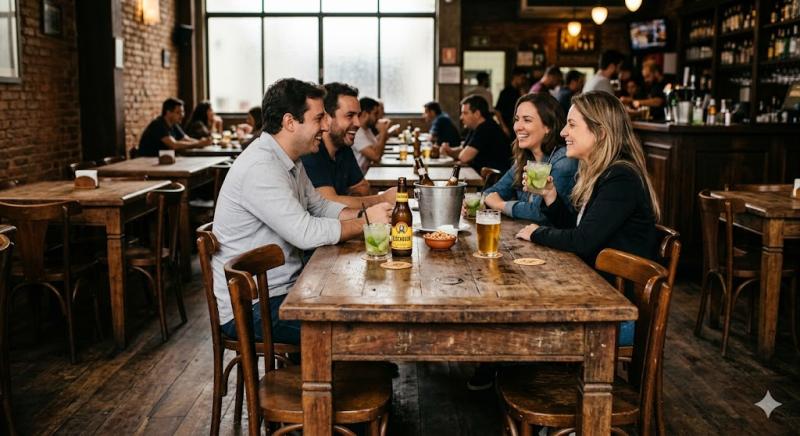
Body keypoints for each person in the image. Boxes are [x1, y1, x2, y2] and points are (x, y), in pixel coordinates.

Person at [212, 78, 393, 345]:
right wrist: (367, 222)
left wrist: (368, 216)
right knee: (356, 327)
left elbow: (320, 207)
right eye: (319, 118)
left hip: (285, 289)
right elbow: (305, 233)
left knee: (365, 300)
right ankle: (354, 375)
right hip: (253, 307)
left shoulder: (290, 160)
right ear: (289, 122)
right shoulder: (261, 167)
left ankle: (363, 373)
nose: (325, 125)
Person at [515, 90, 660, 266]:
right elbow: (577, 230)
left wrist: (536, 233)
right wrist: (550, 195)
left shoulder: (621, 178)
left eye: (572, 125)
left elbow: (581, 241)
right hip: (596, 276)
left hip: (614, 288)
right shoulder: (600, 172)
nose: (563, 132)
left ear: (600, 133)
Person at [481, 93, 578, 222]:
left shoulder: (564, 161)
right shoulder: (524, 159)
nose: (517, 127)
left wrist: (500, 205)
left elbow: (542, 213)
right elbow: (493, 192)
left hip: (550, 240)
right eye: (517, 119)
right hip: (525, 236)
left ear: (547, 126)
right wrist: (480, 203)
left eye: (527, 120)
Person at [301, 82, 396, 209]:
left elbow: (363, 188)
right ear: (327, 118)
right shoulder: (312, 150)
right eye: (350, 115)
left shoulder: (343, 147)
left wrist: (346, 201)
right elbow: (328, 204)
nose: (357, 123)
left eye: (358, 115)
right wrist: (382, 199)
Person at [441, 94, 511, 174]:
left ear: (477, 114)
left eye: (465, 113)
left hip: (495, 180)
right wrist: (449, 150)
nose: (461, 117)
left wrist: (451, 152)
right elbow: (463, 149)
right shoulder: (476, 127)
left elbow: (464, 157)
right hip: (481, 176)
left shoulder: (486, 127)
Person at [137, 98, 210, 157]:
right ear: (168, 112)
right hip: (149, 163)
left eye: (183, 112)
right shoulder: (158, 124)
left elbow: (186, 139)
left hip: (163, 161)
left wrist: (202, 142)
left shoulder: (174, 124)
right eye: (178, 112)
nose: (182, 115)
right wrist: (198, 144)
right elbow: (174, 145)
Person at [352, 97, 390, 174]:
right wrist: (383, 133)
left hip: (369, 173)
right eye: (375, 114)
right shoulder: (357, 132)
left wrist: (383, 134)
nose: (378, 117)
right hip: (360, 178)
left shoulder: (367, 129)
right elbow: (376, 156)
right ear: (365, 114)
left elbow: (377, 149)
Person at [495, 67, 527, 133]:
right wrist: (504, 127)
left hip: (518, 124)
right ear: (515, 77)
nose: (523, 81)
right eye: (522, 78)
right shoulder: (506, 92)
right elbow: (498, 111)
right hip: (507, 125)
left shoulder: (520, 91)